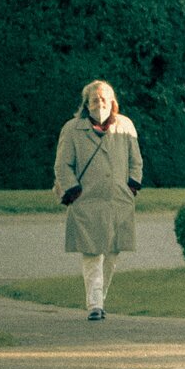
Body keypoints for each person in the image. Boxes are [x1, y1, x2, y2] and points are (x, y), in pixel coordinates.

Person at [52, 80, 142, 321]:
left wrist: (132, 185)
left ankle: (100, 298)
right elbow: (63, 164)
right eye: (95, 100)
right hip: (87, 200)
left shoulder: (126, 126)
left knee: (112, 254)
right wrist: (73, 190)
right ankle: (94, 304)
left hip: (117, 201)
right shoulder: (72, 129)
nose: (100, 104)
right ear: (86, 103)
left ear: (112, 102)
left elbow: (136, 161)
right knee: (92, 254)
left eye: (104, 99)